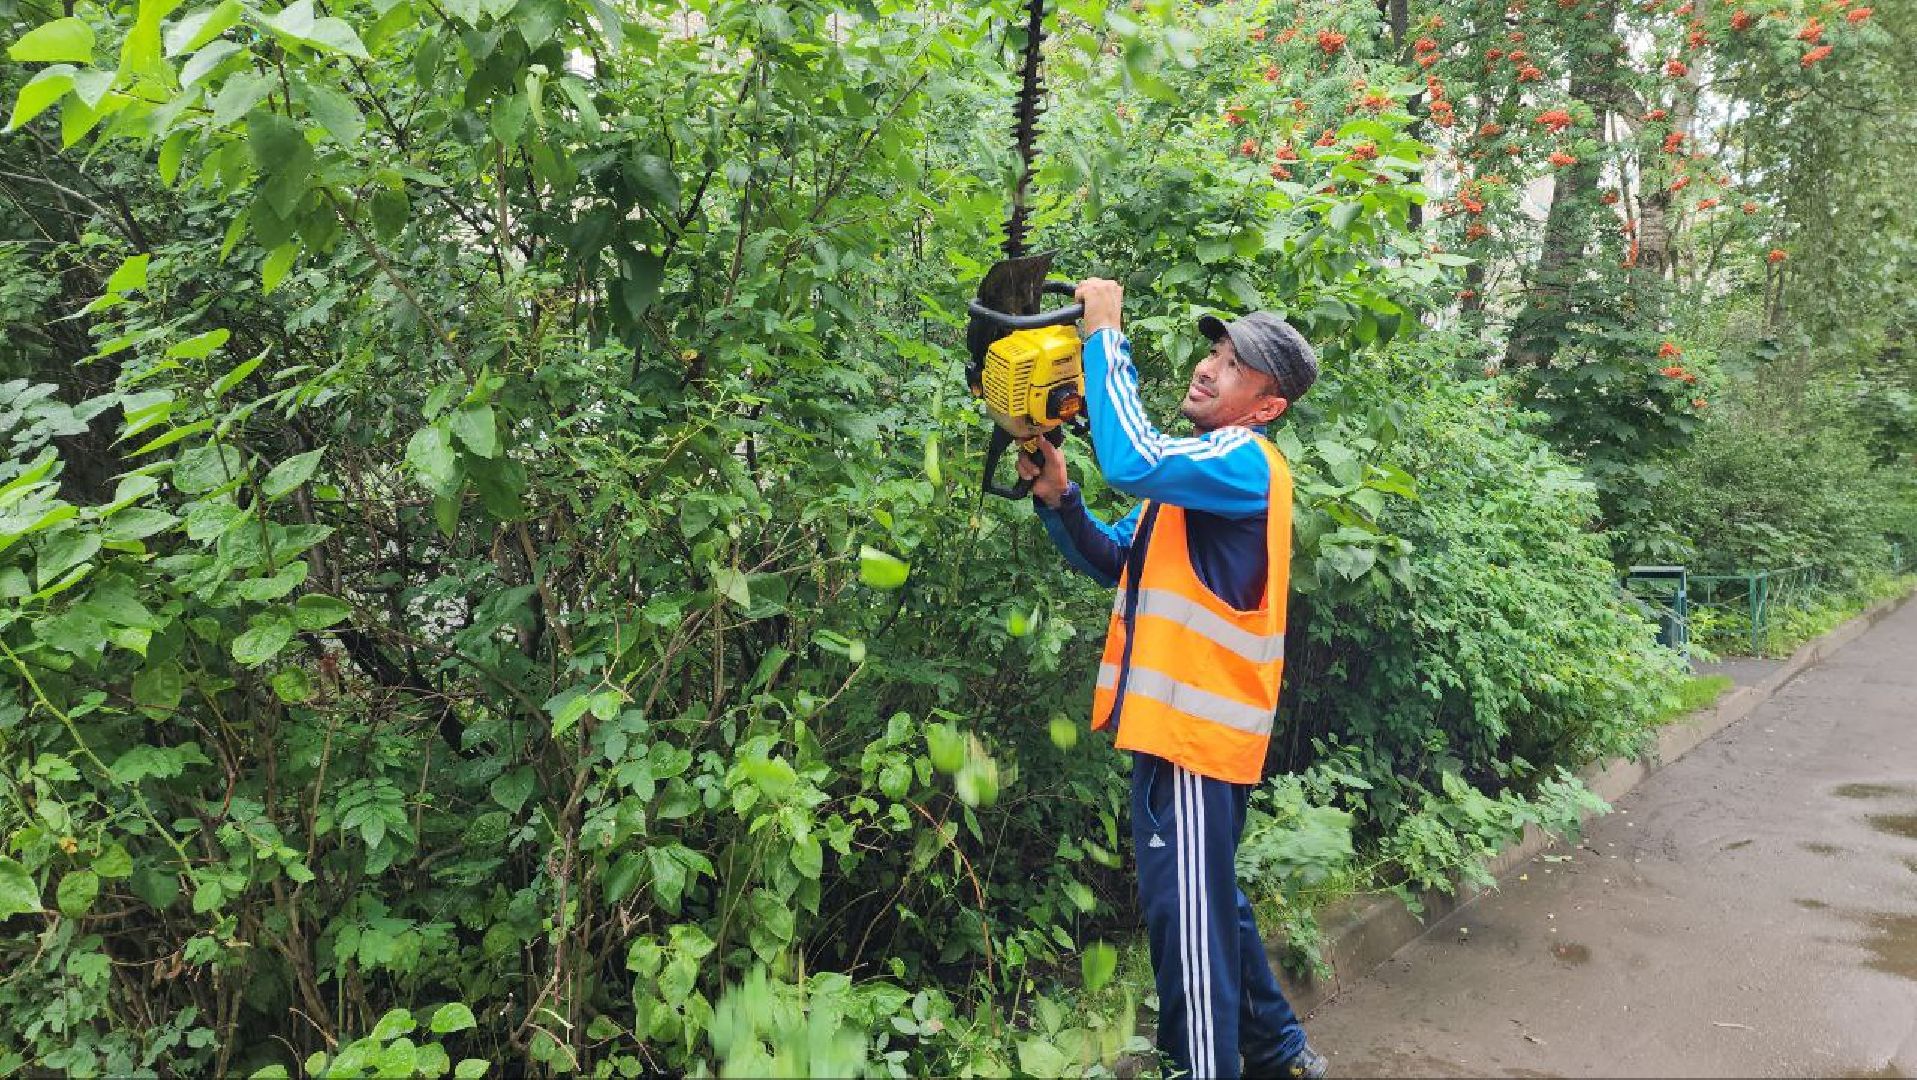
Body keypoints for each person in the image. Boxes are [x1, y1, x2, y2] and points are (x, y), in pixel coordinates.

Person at [1016, 278, 1328, 1080]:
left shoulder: (1241, 463)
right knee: (1210, 905)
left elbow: (1132, 458)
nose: (1207, 368)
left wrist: (1104, 334)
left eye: (1233, 366)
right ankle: (1279, 1053)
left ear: (1265, 408)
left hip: (1193, 742)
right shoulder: (1198, 478)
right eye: (1215, 352)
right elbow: (1118, 557)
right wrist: (1060, 501)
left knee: (1184, 922)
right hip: (1179, 735)